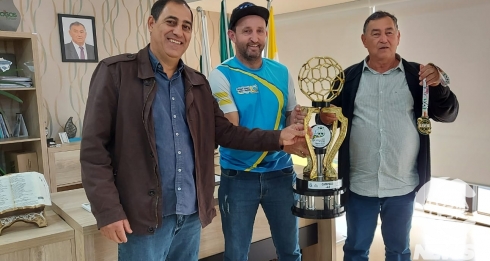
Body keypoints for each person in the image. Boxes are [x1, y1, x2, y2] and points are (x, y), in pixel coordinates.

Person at [80, 1, 305, 261]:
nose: (179, 32)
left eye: (186, 26)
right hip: (144, 218)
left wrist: (278, 137)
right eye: (171, 22)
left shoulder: (197, 83)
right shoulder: (115, 73)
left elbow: (227, 133)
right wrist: (108, 210)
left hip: (189, 216)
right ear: (152, 24)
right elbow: (94, 150)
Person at [318, 11, 459, 261]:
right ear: (364, 40)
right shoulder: (346, 78)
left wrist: (440, 86)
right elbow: (326, 120)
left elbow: (448, 114)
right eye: (376, 33)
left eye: (389, 32)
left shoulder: (420, 76)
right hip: (360, 185)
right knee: (355, 249)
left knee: (398, 250)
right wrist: (323, 119)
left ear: (398, 37)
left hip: (402, 185)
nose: (383, 39)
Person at [208, 2, 306, 261]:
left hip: (282, 175)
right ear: (232, 35)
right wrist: (280, 137)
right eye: (247, 31)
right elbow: (233, 130)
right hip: (239, 177)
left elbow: (290, 115)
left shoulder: (281, 71)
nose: (255, 38)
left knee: (290, 251)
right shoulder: (221, 75)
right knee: (236, 255)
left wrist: (296, 120)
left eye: (260, 31)